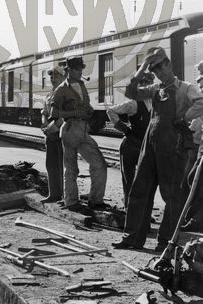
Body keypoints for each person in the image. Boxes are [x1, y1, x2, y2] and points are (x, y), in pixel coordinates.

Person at [114, 47, 203, 252]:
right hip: (150, 145)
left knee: (171, 194)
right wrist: (142, 69)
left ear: (169, 64)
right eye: (154, 70)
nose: (158, 73)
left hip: (172, 146)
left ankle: (165, 243)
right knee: (139, 190)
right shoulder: (155, 89)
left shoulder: (185, 88)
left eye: (160, 68)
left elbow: (201, 102)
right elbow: (130, 92)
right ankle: (131, 239)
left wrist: (184, 117)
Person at [50, 55, 108, 212]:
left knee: (99, 164)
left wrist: (88, 110)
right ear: (69, 70)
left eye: (81, 69)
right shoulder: (61, 89)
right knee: (71, 168)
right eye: (76, 69)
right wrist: (72, 113)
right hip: (69, 129)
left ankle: (96, 200)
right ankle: (71, 201)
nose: (79, 72)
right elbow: (53, 112)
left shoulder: (82, 85)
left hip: (83, 129)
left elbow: (85, 104)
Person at [106, 73, 152, 206]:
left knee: (145, 180)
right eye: (144, 83)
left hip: (146, 146)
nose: (146, 86)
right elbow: (111, 111)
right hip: (131, 145)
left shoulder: (154, 102)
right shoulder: (133, 103)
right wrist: (124, 129)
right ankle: (129, 208)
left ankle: (141, 209)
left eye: (148, 83)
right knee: (129, 179)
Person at [40, 64, 65, 203]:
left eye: (56, 75)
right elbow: (44, 111)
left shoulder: (67, 93)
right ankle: (53, 194)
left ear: (63, 77)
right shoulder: (49, 94)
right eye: (51, 76)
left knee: (63, 166)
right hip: (50, 134)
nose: (53, 78)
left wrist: (53, 127)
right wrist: (44, 125)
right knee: (51, 164)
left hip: (61, 132)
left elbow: (66, 115)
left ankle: (65, 196)